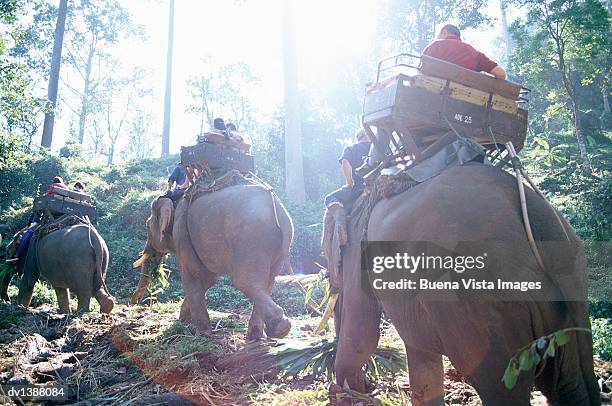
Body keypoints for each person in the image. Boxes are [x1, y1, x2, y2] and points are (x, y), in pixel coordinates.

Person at [422, 24, 506, 80]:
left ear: (444, 33)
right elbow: (501, 74)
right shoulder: (475, 54)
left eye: (438, 36)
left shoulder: (435, 46)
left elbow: (420, 73)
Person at [324, 129, 372, 208]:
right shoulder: (376, 148)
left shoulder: (351, 149)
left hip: (359, 188)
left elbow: (345, 161)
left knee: (330, 198)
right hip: (380, 183)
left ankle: (340, 219)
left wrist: (349, 183)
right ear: (366, 134)